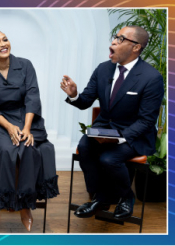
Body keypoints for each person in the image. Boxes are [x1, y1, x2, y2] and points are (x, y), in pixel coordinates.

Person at [62, 26, 163, 221]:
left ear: (136, 47)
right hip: (104, 129)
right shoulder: (103, 69)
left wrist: (118, 139)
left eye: (120, 38)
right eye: (114, 37)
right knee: (84, 146)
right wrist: (74, 95)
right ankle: (99, 197)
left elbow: (147, 120)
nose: (113, 42)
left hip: (135, 135)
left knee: (109, 159)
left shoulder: (152, 78)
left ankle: (126, 197)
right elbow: (85, 102)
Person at [0, 29, 58, 231]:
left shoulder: (25, 65)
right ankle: (10, 198)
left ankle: (24, 205)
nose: (3, 44)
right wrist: (10, 127)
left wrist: (26, 128)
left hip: (26, 118)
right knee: (9, 149)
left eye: (5, 39)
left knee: (27, 147)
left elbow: (32, 97)